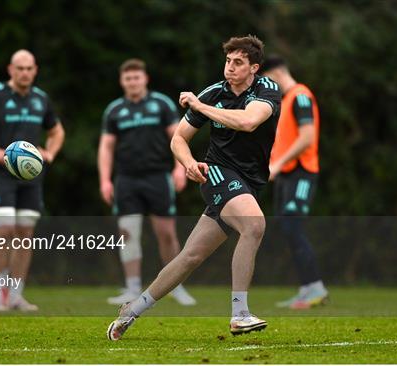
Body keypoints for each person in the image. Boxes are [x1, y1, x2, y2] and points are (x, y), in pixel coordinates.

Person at [107, 35, 282, 341]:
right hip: (217, 173)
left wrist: (201, 105)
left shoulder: (265, 90)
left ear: (254, 67)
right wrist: (187, 162)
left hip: (250, 181)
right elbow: (178, 138)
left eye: (238, 62)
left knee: (190, 257)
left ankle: (131, 310)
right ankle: (240, 313)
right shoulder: (214, 93)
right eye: (227, 61)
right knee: (254, 226)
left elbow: (248, 122)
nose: (229, 68)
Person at [0, 49, 65, 312]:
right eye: (20, 68)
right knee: (3, 231)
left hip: (30, 178)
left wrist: (49, 152)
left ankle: (15, 296)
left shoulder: (41, 100)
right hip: (0, 176)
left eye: (29, 68)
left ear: (35, 70)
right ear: (10, 69)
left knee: (25, 234)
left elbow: (57, 130)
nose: (25, 73)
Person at [98, 58, 195, 306]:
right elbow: (107, 147)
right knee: (128, 232)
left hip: (158, 177)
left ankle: (176, 286)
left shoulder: (161, 104)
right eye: (128, 78)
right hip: (126, 179)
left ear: (145, 79)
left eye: (136, 77)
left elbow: (178, 137)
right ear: (122, 81)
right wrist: (105, 180)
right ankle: (131, 288)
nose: (133, 82)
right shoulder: (115, 110)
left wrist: (180, 168)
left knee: (166, 233)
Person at [260, 55, 328, 309]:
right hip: (287, 175)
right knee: (288, 230)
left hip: (302, 172)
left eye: (266, 80)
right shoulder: (286, 100)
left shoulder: (300, 95)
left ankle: (315, 288)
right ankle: (307, 289)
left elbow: (307, 137)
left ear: (276, 74)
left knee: (293, 228)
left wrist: (278, 163)